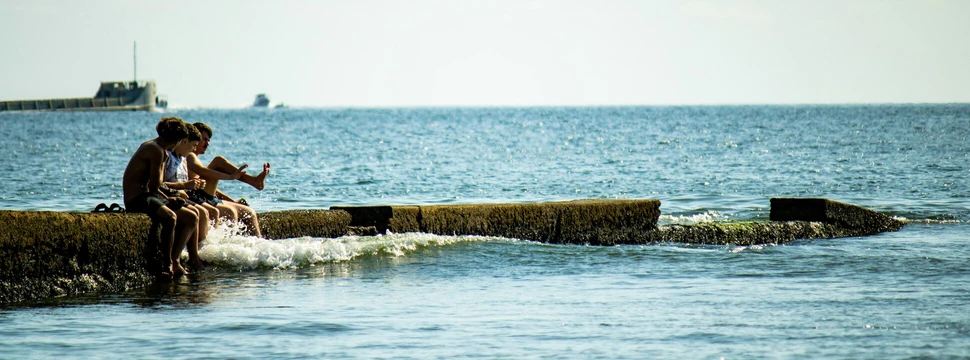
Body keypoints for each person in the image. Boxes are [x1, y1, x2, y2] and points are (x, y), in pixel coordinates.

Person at [122, 117, 199, 278]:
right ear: (177, 140)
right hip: (137, 198)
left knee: (192, 217)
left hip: (149, 195)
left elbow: (158, 185)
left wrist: (172, 195)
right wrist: (170, 198)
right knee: (170, 217)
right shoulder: (155, 150)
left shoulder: (161, 151)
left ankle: (176, 260)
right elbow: (154, 186)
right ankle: (167, 264)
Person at [184, 122, 268, 237]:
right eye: (204, 139)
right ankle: (253, 181)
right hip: (197, 198)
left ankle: (258, 245)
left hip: (208, 197)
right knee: (218, 162)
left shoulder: (195, 157)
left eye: (208, 141)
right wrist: (230, 177)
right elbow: (203, 172)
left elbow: (212, 189)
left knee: (250, 212)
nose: (207, 144)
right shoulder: (190, 156)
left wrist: (232, 200)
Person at [162, 124, 218, 271]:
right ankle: (188, 257)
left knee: (203, 212)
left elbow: (183, 183)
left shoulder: (182, 159)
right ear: (183, 142)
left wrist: (190, 186)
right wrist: (185, 186)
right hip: (167, 196)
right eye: (193, 146)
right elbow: (160, 184)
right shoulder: (167, 157)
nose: (194, 150)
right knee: (197, 214)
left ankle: (196, 255)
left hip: (181, 196)